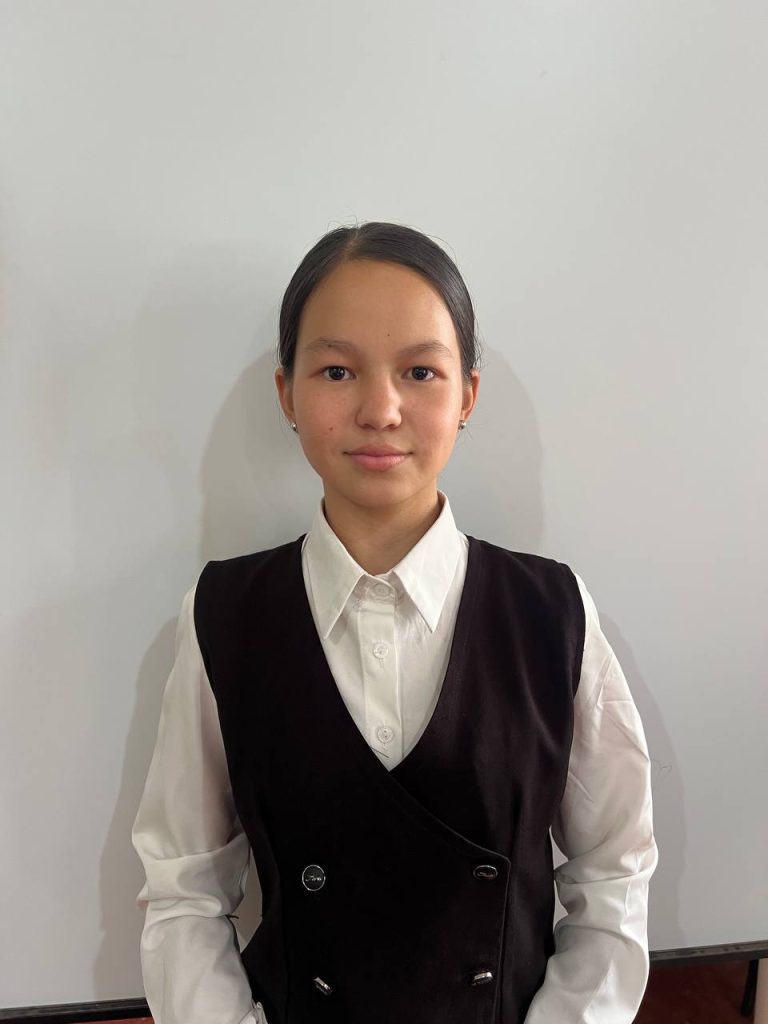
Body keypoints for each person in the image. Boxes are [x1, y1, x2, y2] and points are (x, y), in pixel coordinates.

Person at [131, 220, 659, 1024]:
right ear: (288, 395)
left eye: (420, 371)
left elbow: (613, 871)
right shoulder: (223, 617)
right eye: (338, 370)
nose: (381, 409)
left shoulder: (552, 614)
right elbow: (184, 890)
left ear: (467, 396)